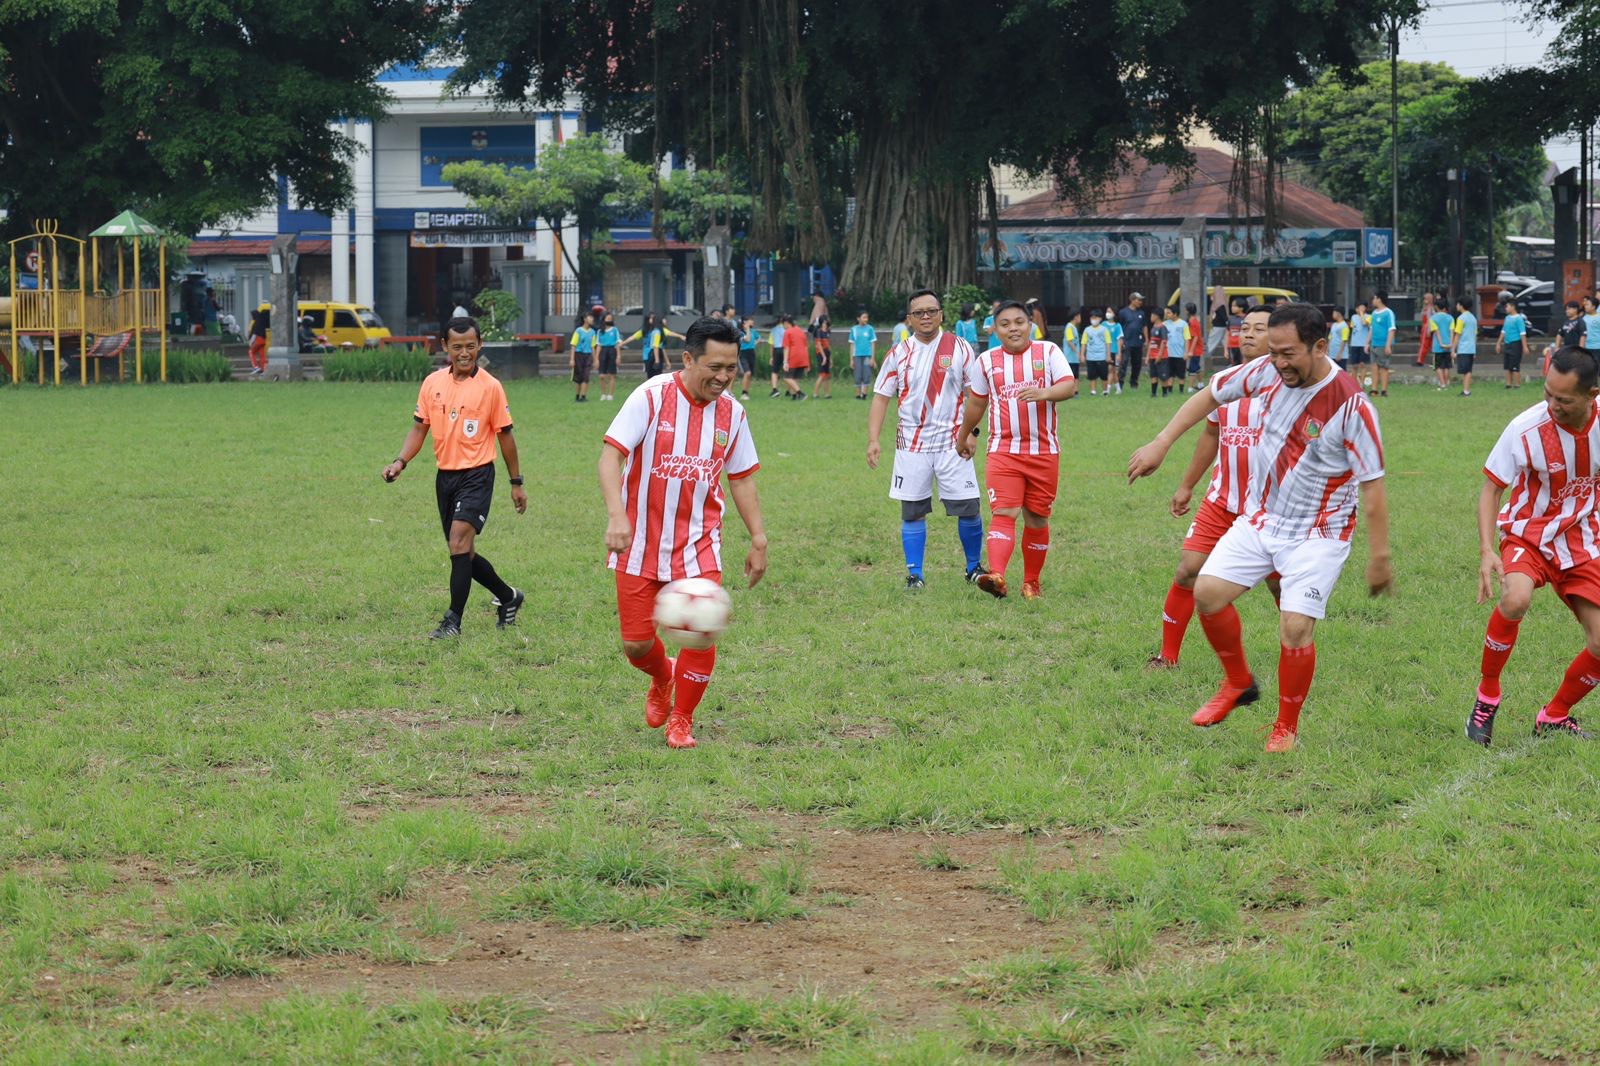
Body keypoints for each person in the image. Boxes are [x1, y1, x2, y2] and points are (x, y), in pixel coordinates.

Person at [1127, 303, 1391, 752]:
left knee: (1293, 627)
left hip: (1319, 533)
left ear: (1320, 346)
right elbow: (1208, 396)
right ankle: (1238, 683)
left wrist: (1380, 556)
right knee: (1207, 592)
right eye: (1273, 352)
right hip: (1261, 518)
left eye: (1289, 353)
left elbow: (1373, 485)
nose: (1279, 363)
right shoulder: (1265, 371)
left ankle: (1285, 726)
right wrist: (1161, 442)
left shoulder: (1352, 405)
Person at [600, 316, 768, 750]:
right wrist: (617, 517)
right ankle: (662, 677)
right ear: (688, 358)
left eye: (731, 367)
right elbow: (609, 457)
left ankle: (682, 720)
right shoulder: (651, 397)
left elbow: (742, 478)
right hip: (638, 544)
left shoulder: (733, 413)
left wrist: (758, 538)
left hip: (698, 545)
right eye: (714, 367)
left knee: (701, 629)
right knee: (636, 646)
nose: (724, 377)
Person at [1469, 346, 1600, 745]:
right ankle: (1487, 695)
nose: (1552, 405)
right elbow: (1492, 489)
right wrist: (1488, 550)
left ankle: (1554, 715)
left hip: (1583, 539)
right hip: (1528, 534)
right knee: (1516, 598)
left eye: (1563, 399)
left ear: (1592, 395)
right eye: (1548, 393)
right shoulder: (1526, 428)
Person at [381, 316, 528, 640]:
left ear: (480, 345)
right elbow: (419, 428)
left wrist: (516, 483)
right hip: (444, 477)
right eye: (458, 347)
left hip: (477, 474)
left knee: (459, 540)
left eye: (471, 346)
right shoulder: (432, 383)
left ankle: (452, 622)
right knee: (464, 552)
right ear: (445, 347)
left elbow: (506, 437)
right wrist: (400, 461)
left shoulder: (490, 387)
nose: (465, 353)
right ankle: (508, 597)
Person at [1149, 307, 1276, 668]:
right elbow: (1210, 434)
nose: (1248, 334)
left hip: (1271, 510)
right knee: (1188, 571)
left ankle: (1294, 654)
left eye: (1260, 329)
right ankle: (1167, 657)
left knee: (1282, 589)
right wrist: (1186, 485)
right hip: (1221, 500)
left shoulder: (1288, 386)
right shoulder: (1224, 382)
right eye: (1244, 327)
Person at [956, 300, 1076, 599]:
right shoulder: (985, 361)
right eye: (1005, 324)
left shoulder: (1048, 351)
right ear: (995, 329)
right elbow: (977, 403)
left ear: (1030, 324)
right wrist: (964, 434)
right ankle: (996, 575)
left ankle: (1031, 583)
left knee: (1036, 518)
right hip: (1003, 451)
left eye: (1019, 322)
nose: (1013, 328)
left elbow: (1069, 386)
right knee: (1004, 512)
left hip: (1044, 452)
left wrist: (1045, 392)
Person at [867, 288, 986, 590]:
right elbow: (881, 397)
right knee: (913, 511)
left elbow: (976, 395)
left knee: (969, 507)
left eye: (931, 311)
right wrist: (873, 440)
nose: (926, 317)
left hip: (953, 444)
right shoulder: (898, 353)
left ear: (941, 314)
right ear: (909, 319)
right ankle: (914, 575)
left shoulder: (960, 348)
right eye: (919, 313)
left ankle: (974, 568)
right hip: (912, 446)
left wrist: (972, 433)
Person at [623, 313, 682, 381]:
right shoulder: (645, 331)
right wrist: (622, 344)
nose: (652, 319)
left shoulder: (659, 330)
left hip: (655, 354)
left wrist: (681, 336)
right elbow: (632, 337)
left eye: (653, 318)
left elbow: (668, 336)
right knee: (651, 376)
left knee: (656, 376)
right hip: (648, 355)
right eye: (651, 318)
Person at [1117, 294, 1148, 390]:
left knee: (1137, 364)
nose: (1140, 302)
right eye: (1139, 300)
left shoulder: (1141, 313)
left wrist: (1146, 339)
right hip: (1127, 342)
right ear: (1132, 300)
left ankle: (1134, 383)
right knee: (1124, 363)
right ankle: (1120, 384)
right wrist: (1120, 340)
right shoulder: (1123, 312)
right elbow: (1119, 327)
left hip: (1138, 343)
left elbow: (1144, 326)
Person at [1153, 305, 1185, 397]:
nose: (1166, 314)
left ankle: (1181, 390)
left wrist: (1187, 351)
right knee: (1169, 373)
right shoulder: (1165, 324)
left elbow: (1187, 338)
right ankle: (1169, 390)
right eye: (1166, 313)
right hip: (1168, 354)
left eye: (1169, 313)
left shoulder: (1183, 324)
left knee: (1181, 373)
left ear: (1175, 314)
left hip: (1180, 353)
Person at [1369, 291, 1396, 396]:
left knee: (1384, 367)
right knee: (1374, 367)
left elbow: (1392, 329)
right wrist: (1367, 343)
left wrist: (1388, 345)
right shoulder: (1374, 313)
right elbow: (1372, 328)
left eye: (1374, 298)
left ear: (1379, 299)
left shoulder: (1388, 312)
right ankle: (1374, 389)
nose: (1373, 300)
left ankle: (1384, 390)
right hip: (1374, 343)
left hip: (1383, 344)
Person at [1081, 308, 1113, 396]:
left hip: (1102, 356)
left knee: (1104, 375)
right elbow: (1084, 343)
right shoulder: (1087, 330)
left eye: (1095, 317)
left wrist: (1108, 355)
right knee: (1092, 375)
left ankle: (1105, 391)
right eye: (1092, 317)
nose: (1093, 319)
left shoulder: (1104, 329)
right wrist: (1082, 355)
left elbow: (1108, 342)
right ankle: (1093, 391)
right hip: (1090, 356)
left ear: (1100, 319)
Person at [1450, 295, 1478, 396]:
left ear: (1461, 306)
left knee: (1465, 371)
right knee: (1468, 370)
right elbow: (1475, 335)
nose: (1456, 306)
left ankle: (1466, 391)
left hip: (1463, 348)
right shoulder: (1473, 318)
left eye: (1458, 304)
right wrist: (1474, 350)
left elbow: (1457, 334)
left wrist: (1453, 349)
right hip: (1471, 348)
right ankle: (1466, 389)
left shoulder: (1461, 319)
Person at [1497, 299, 1527, 390]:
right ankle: (1508, 384)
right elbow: (1503, 331)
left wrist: (1524, 346)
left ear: (1513, 307)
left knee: (1515, 366)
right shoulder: (1507, 318)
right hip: (1507, 343)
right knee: (1507, 365)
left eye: (1507, 306)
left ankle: (1517, 385)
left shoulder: (1519, 319)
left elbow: (1522, 333)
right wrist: (1498, 343)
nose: (1506, 308)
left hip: (1516, 344)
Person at [781, 313, 810, 399]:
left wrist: (785, 362)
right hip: (803, 357)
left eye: (783, 324)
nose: (783, 326)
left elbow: (786, 347)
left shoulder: (787, 332)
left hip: (794, 357)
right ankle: (795, 395)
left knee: (787, 377)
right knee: (795, 377)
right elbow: (805, 346)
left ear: (786, 323)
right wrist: (808, 362)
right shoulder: (800, 330)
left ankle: (800, 393)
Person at [569, 312, 597, 402]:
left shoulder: (593, 332)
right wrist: (572, 359)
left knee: (586, 376)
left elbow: (593, 347)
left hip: (588, 355)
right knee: (578, 377)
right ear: (585, 319)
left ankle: (583, 396)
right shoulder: (578, 331)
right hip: (578, 355)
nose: (592, 319)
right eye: (590, 317)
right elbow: (573, 345)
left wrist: (595, 359)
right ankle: (577, 396)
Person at [850, 309, 877, 400]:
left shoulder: (870, 329)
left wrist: (872, 358)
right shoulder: (853, 329)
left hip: (867, 356)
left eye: (867, 317)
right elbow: (852, 345)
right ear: (858, 318)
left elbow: (872, 344)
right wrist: (851, 359)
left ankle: (864, 394)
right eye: (864, 317)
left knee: (866, 374)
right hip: (857, 356)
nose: (866, 319)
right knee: (858, 375)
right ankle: (858, 394)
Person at [1431, 298, 1456, 390]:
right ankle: (1446, 383)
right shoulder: (1450, 318)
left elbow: (1436, 332)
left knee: (1438, 366)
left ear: (1436, 307)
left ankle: (1442, 384)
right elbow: (1452, 331)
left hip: (1438, 346)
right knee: (1446, 366)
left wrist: (1441, 343)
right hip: (1448, 346)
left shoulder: (1433, 318)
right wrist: (1450, 343)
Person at [596, 312, 621, 401]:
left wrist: (618, 356)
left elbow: (617, 343)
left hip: (612, 351)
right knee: (601, 375)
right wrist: (596, 359)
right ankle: (603, 394)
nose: (609, 320)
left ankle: (610, 395)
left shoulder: (614, 330)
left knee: (612, 374)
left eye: (611, 318)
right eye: (608, 318)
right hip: (603, 351)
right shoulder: (600, 331)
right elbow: (598, 345)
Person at [1348, 301, 1370, 385]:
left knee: (1362, 364)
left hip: (1363, 344)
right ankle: (1354, 383)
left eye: (1362, 307)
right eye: (1358, 308)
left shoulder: (1368, 317)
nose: (1360, 309)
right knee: (1354, 365)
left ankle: (1361, 384)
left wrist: (1361, 314)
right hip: (1354, 343)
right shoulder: (1353, 317)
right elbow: (1352, 327)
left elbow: (1364, 323)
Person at [1185, 302, 1205, 392]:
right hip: (1197, 348)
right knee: (1197, 367)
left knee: (1192, 369)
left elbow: (1195, 337)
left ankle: (1190, 387)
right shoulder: (1195, 320)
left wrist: (1191, 351)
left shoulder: (1192, 322)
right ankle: (1201, 384)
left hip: (1196, 349)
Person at [737, 316, 758, 400]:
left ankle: (746, 392)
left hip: (751, 352)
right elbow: (748, 339)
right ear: (744, 322)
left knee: (750, 374)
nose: (752, 321)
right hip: (743, 353)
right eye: (750, 320)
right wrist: (747, 329)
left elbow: (758, 338)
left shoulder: (753, 331)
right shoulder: (740, 332)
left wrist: (755, 343)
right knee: (747, 373)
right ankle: (743, 393)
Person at [1105, 305, 1125, 394]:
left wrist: (1119, 354)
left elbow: (1119, 340)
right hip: (1105, 351)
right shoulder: (1103, 324)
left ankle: (1107, 390)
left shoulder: (1117, 326)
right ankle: (1118, 389)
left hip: (1114, 351)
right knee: (1112, 371)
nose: (1108, 313)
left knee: (1111, 370)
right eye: (1107, 311)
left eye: (1110, 312)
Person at [814, 315, 834, 398]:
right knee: (822, 375)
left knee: (827, 375)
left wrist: (830, 358)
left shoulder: (827, 331)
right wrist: (824, 357)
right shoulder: (819, 332)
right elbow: (819, 344)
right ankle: (815, 393)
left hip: (827, 352)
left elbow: (828, 345)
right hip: (821, 353)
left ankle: (827, 393)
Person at [1060, 307, 1082, 384]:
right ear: (1076, 317)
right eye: (1079, 316)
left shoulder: (1073, 327)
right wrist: (1077, 353)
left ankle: (1076, 392)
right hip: (1070, 357)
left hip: (1074, 358)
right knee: (1071, 375)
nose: (1080, 318)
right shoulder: (1069, 327)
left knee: (1076, 375)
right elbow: (1069, 341)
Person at [767, 317, 787, 397]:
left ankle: (775, 389)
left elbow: (771, 344)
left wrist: (771, 356)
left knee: (775, 371)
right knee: (787, 370)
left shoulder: (773, 330)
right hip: (785, 349)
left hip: (776, 350)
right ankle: (789, 390)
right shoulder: (787, 329)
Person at [247, 302, 269, 376]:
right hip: (263, 340)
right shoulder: (262, 321)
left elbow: (254, 334)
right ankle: (263, 370)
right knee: (262, 355)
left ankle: (256, 367)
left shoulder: (256, 323)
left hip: (258, 340)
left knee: (251, 352)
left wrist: (250, 342)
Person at [1417, 292, 1436, 368]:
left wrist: (1429, 330)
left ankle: (1420, 360)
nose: (1424, 300)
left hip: (1427, 328)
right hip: (1426, 327)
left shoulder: (1430, 309)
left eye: (1425, 299)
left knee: (1424, 345)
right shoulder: (1426, 308)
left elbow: (1430, 319)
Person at [1225, 300, 1245, 367]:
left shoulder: (1246, 318)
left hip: (1242, 346)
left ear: (1241, 308)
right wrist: (1225, 349)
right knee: (1232, 366)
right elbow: (1227, 334)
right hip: (1231, 347)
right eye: (1232, 306)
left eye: (1235, 306)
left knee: (1243, 365)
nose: (1232, 308)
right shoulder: (1231, 319)